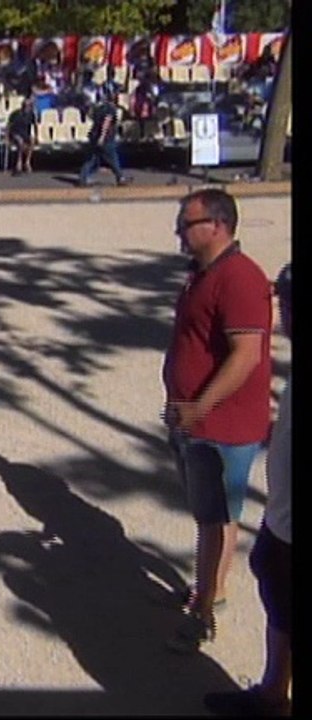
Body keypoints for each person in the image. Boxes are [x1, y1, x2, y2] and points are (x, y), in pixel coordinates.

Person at [162, 189, 272, 654]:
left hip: (222, 426)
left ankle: (204, 607)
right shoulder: (203, 274)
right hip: (193, 420)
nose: (179, 232)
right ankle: (211, 587)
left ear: (218, 225)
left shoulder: (240, 278)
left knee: (217, 518)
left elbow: (246, 355)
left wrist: (200, 406)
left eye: (187, 224)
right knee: (209, 516)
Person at [203, 263, 291, 716]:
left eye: (285, 304)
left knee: (280, 590)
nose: (280, 313)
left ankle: (274, 694)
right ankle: (274, 691)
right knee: (273, 581)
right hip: (281, 520)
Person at [77, 87, 130, 187]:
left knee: (92, 159)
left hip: (94, 136)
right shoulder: (110, 108)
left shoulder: (97, 107)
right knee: (113, 158)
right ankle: (120, 178)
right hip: (106, 138)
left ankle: (82, 179)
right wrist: (102, 136)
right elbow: (106, 123)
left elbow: (91, 117)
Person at [6, 97, 37, 175]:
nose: (27, 107)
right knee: (20, 142)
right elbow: (8, 126)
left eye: (29, 106)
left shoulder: (31, 114)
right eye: (26, 106)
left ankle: (27, 161)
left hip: (25, 134)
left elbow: (35, 126)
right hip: (15, 134)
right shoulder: (15, 114)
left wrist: (36, 136)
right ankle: (19, 162)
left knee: (32, 140)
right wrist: (7, 138)